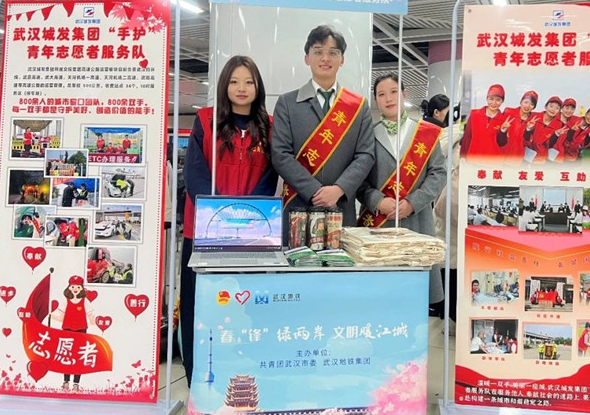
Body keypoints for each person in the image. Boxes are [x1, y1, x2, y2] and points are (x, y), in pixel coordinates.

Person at [181, 55, 277, 385]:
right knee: (200, 304)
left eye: (249, 82)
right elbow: (194, 173)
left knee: (244, 305)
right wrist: (219, 216)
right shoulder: (205, 120)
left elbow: (270, 175)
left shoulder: (269, 126)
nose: (241, 88)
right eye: (234, 81)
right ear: (224, 85)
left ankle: (243, 374)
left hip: (251, 234)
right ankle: (197, 379)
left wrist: (244, 218)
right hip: (204, 232)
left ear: (258, 87)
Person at [272, 25, 375, 244]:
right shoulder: (287, 103)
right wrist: (314, 191)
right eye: (318, 51)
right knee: (296, 263)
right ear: (307, 58)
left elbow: (366, 155)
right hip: (298, 207)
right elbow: (280, 154)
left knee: (340, 263)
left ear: (342, 59)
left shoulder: (358, 106)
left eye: (333, 52)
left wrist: (338, 189)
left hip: (341, 206)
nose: (325, 58)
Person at [356, 73, 446, 315]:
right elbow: (359, 180)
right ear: (376, 100)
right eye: (381, 94)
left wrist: (413, 202)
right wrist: (377, 201)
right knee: (379, 298)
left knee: (415, 298)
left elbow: (438, 173)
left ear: (404, 94)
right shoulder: (368, 136)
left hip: (417, 221)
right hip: (380, 224)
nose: (388, 98)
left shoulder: (425, 133)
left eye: (394, 92)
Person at [52, 275, 94, 391]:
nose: (75, 289)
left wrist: (97, 322)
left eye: (78, 287)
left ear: (82, 288)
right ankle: (66, 382)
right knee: (67, 356)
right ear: (69, 287)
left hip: (81, 331)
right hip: (67, 330)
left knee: (78, 357)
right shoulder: (65, 301)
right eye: (73, 286)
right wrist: (50, 315)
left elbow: (91, 317)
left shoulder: (85, 302)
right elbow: (61, 318)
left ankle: (76, 384)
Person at [459, 84, 507, 162]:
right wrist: (463, 156)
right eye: (491, 99)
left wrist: (503, 130)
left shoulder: (504, 120)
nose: (494, 103)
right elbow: (467, 137)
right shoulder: (474, 114)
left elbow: (502, 143)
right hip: (473, 160)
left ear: (502, 101)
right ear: (487, 98)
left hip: (494, 163)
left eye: (498, 100)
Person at [497, 90, 539, 165]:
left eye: (532, 104)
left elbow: (527, 143)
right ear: (521, 102)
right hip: (500, 156)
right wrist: (502, 130)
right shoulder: (508, 112)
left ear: (534, 107)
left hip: (517, 160)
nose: (528, 106)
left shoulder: (533, 120)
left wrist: (528, 129)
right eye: (526, 102)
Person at [524, 96, 565, 164]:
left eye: (557, 108)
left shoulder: (558, 125)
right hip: (526, 156)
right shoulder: (533, 116)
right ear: (545, 107)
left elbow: (550, 145)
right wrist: (528, 129)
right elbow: (524, 138)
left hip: (541, 158)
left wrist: (556, 135)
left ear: (559, 111)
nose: (553, 110)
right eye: (551, 106)